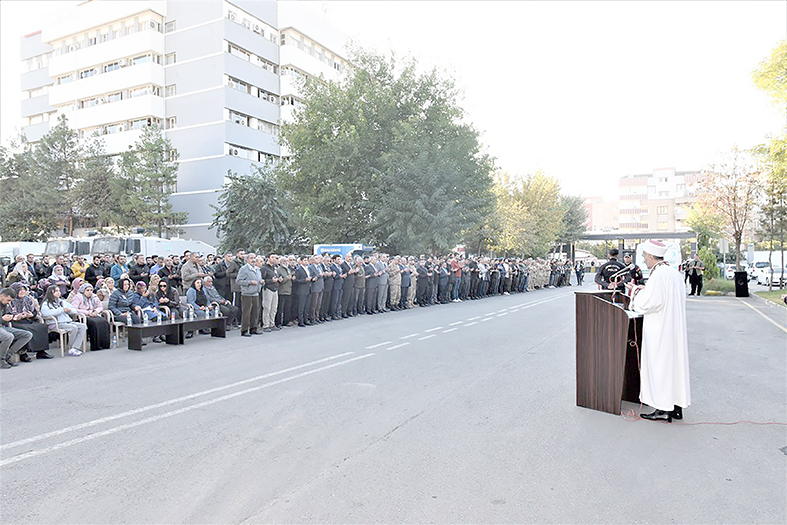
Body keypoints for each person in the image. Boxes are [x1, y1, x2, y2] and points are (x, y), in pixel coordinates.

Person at [625, 240, 690, 423]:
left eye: (645, 256)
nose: (644, 261)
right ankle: (676, 406)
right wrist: (642, 289)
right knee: (673, 367)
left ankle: (662, 408)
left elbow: (650, 303)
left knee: (660, 367)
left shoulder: (659, 274)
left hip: (660, 330)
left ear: (652, 256)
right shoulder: (672, 273)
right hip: (673, 329)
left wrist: (635, 291)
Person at [8, 283, 53, 360]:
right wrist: (16, 316)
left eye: (23, 290)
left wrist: (31, 314)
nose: (22, 292)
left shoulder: (27, 299)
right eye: (20, 290)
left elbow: (34, 312)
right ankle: (23, 353)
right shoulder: (10, 300)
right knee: (26, 330)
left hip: (27, 320)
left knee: (42, 327)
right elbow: (7, 313)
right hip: (15, 321)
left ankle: (41, 351)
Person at [40, 285, 87, 357]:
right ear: (51, 293)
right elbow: (45, 313)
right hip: (55, 323)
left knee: (83, 326)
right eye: (56, 291)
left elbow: (74, 309)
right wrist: (61, 310)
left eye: (59, 291)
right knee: (74, 328)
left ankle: (75, 347)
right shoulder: (46, 303)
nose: (58, 293)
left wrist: (69, 311)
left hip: (67, 321)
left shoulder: (62, 301)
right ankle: (71, 348)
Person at [70, 283, 111, 350]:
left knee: (104, 322)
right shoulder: (78, 297)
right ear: (83, 291)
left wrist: (96, 311)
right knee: (94, 324)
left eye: (91, 290)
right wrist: (88, 312)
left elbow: (100, 306)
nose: (90, 292)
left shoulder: (94, 296)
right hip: (83, 316)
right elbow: (74, 309)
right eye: (87, 290)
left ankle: (104, 344)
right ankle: (96, 346)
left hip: (93, 314)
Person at [1, 288, 34, 368]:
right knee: (8, 336)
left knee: (27, 335)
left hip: (3, 326)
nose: (9, 302)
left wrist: (12, 317)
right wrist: (2, 319)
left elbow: (7, 315)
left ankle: (8, 355)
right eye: (8, 300)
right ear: (2, 296)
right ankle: (1, 358)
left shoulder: (5, 304)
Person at [236, 253, 262, 336]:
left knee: (255, 312)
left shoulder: (257, 269)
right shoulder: (244, 269)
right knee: (246, 313)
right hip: (247, 293)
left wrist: (261, 282)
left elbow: (259, 279)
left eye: (254, 258)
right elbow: (239, 281)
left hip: (256, 293)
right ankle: (244, 330)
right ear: (247, 260)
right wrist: (250, 282)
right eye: (251, 258)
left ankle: (253, 328)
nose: (253, 260)